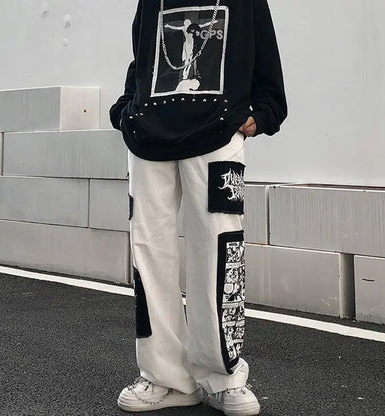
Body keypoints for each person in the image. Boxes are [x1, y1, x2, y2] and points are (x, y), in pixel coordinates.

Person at [109, 0, 287, 414]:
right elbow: (144, 51)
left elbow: (263, 46)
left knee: (220, 251)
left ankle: (223, 377)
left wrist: (266, 112)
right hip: (148, 138)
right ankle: (165, 379)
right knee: (149, 253)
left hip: (218, 133)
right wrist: (126, 109)